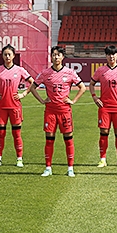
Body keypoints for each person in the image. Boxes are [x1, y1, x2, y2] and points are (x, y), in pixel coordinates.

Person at [29, 46, 86, 177]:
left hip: (65, 111)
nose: (56, 57)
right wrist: (42, 101)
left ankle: (70, 168)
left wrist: (73, 100)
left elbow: (82, 87)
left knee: (68, 139)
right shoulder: (45, 73)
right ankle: (48, 168)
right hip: (50, 111)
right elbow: (33, 88)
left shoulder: (70, 72)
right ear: (51, 57)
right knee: (49, 139)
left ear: (62, 57)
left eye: (58, 55)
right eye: (54, 55)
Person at [0, 45, 34, 168]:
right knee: (1, 134)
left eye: (9, 54)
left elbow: (32, 82)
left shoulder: (20, 70)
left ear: (13, 56)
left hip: (15, 106)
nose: (7, 57)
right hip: (1, 106)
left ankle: (19, 159)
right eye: (5, 54)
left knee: (17, 134)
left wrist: (24, 94)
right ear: (2, 56)